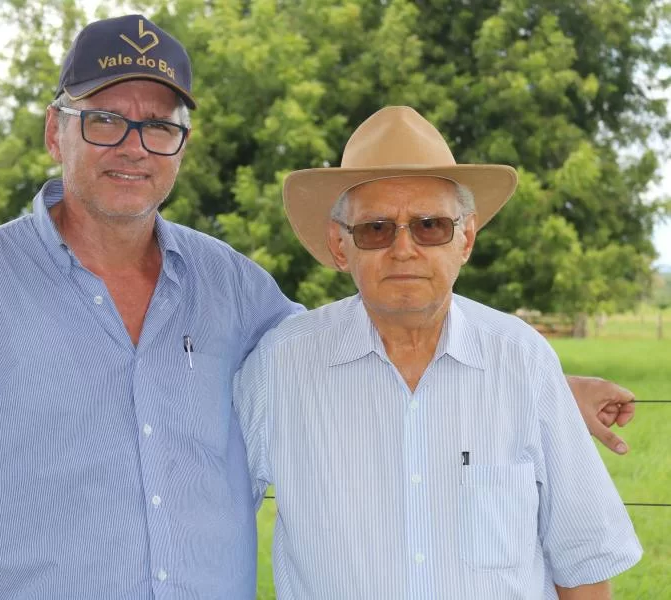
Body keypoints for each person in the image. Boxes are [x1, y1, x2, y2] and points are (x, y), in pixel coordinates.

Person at [0, 14, 635, 600]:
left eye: (159, 126)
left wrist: (548, 396)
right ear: (58, 131)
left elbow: (382, 345)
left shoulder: (230, 285)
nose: (133, 145)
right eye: (106, 119)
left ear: (182, 146)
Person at [232, 106, 641, 598]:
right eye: (376, 229)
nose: (404, 249)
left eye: (430, 226)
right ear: (341, 248)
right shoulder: (281, 367)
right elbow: (207, 516)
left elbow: (583, 563)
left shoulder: (523, 361)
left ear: (465, 239)